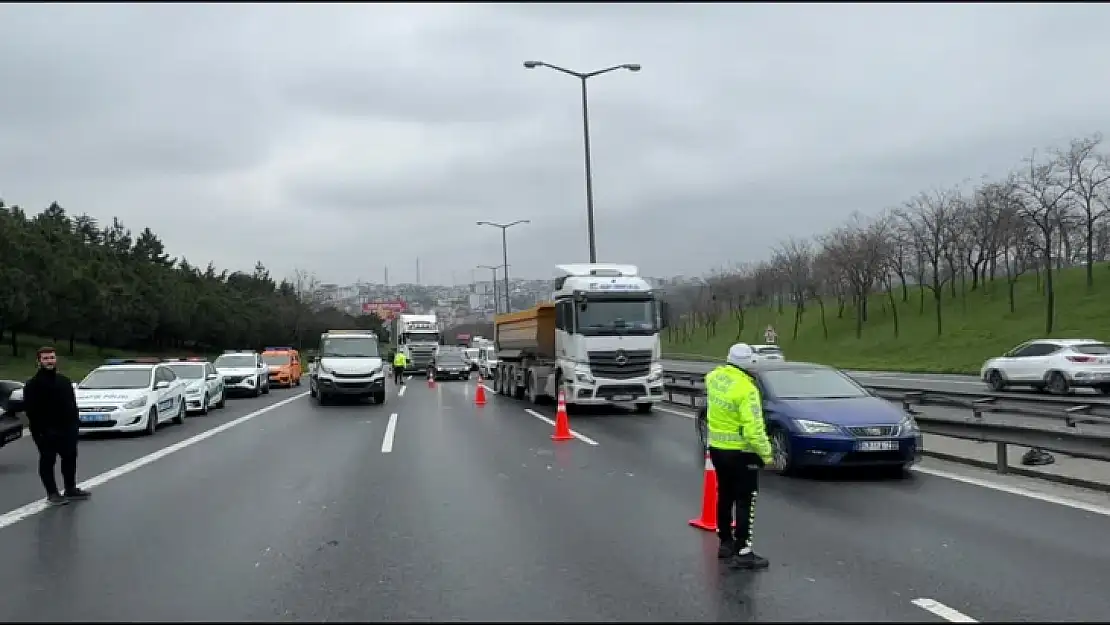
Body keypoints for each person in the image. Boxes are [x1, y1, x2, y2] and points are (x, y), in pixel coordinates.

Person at [704, 342, 773, 569]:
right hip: (742, 453)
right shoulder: (747, 389)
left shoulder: (714, 378)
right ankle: (744, 550)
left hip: (717, 449)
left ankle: (725, 542)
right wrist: (767, 454)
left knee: (724, 494)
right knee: (746, 500)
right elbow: (753, 429)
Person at [22, 347, 90, 506]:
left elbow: (72, 405)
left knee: (70, 458)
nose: (49, 361)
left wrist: (75, 425)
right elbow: (31, 411)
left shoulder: (64, 381)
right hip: (46, 432)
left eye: (52, 357)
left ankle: (70, 489)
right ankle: (52, 493)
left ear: (56, 359)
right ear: (39, 361)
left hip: (68, 429)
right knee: (48, 461)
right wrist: (40, 432)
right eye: (45, 358)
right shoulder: (33, 385)